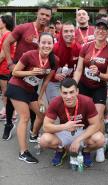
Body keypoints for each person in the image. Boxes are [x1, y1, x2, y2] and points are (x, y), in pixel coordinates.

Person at [5, 32, 58, 164]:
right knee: (25, 117)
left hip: (30, 90)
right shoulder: (29, 55)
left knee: (42, 114)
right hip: (16, 87)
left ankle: (33, 135)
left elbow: (46, 82)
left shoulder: (54, 60)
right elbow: (15, 72)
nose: (46, 45)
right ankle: (23, 152)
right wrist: (31, 72)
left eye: (49, 43)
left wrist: (40, 98)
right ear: (39, 43)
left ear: (53, 44)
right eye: (43, 42)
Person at [2, 5, 52, 140]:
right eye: (42, 14)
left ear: (50, 17)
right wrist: (10, 63)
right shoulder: (23, 27)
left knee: (32, 100)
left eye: (47, 15)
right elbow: (6, 43)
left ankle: (32, 128)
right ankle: (8, 124)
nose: (44, 17)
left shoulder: (46, 33)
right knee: (10, 101)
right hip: (17, 70)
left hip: (33, 75)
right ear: (37, 13)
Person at [74, 19, 108, 162]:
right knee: (82, 116)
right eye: (98, 28)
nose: (100, 31)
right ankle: (84, 142)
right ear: (95, 30)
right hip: (84, 86)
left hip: (99, 88)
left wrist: (98, 73)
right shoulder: (86, 47)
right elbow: (79, 69)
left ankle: (99, 146)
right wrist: (74, 85)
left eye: (104, 29)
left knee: (98, 118)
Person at [40, 78, 105, 167]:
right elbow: (46, 127)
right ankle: (61, 150)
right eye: (65, 93)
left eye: (71, 92)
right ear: (60, 92)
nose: (68, 96)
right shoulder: (55, 102)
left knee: (100, 139)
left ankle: (86, 151)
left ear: (77, 91)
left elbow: (96, 125)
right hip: (65, 131)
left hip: (82, 131)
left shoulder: (87, 101)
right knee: (43, 140)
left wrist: (78, 140)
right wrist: (65, 126)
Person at [45, 22, 81, 103]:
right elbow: (44, 67)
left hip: (70, 81)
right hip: (53, 82)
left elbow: (80, 68)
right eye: (66, 31)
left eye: (71, 31)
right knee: (56, 105)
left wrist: (74, 83)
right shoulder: (54, 48)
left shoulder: (78, 48)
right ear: (61, 33)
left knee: (70, 106)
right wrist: (54, 75)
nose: (69, 34)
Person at [0, 15, 15, 123]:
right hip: (3, 67)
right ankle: (8, 112)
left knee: (6, 92)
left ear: (4, 23)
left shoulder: (8, 35)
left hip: (5, 67)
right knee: (5, 92)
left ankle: (10, 114)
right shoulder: (4, 34)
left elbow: (2, 55)